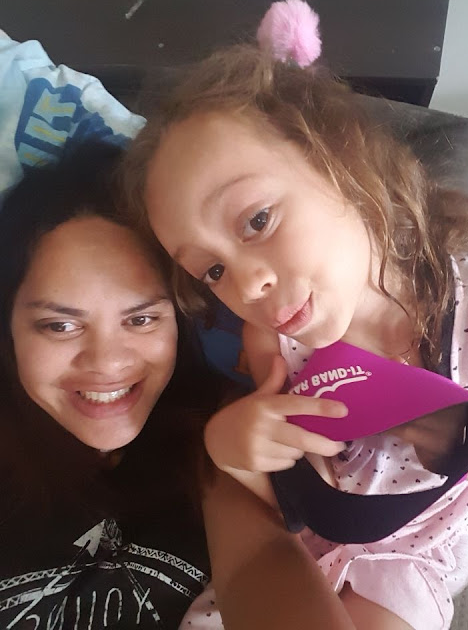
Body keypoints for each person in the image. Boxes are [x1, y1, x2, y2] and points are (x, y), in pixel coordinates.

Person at [122, 40, 468, 629]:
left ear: (342, 164)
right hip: (298, 556)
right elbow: (294, 500)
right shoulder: (274, 348)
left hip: (408, 560)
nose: (248, 284)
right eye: (213, 270)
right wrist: (234, 447)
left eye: (257, 220)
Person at [0, 140, 358, 630]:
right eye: (60, 326)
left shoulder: (222, 434)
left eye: (141, 319)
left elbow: (263, 561)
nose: (107, 362)